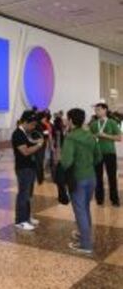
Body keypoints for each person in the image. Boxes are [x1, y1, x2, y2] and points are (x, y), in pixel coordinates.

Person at [61, 108, 101, 254]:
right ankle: (85, 235)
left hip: (77, 178)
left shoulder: (71, 138)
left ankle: (86, 245)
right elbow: (98, 157)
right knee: (85, 208)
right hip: (91, 177)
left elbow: (66, 162)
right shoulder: (90, 135)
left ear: (71, 120)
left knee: (80, 211)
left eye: (67, 118)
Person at [11, 110, 45, 231]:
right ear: (25, 122)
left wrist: (36, 142)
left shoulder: (24, 132)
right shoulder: (18, 134)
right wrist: (39, 145)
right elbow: (25, 151)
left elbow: (29, 143)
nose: (33, 127)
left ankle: (27, 218)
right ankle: (20, 220)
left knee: (28, 195)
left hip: (29, 167)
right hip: (23, 168)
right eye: (32, 124)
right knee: (23, 194)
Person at [90, 103, 121, 207]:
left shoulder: (112, 122)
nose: (96, 111)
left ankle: (114, 199)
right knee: (98, 177)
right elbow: (90, 137)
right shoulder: (94, 124)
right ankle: (99, 199)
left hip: (109, 153)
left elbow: (119, 138)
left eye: (99, 109)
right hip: (97, 154)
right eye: (96, 110)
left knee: (111, 177)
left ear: (105, 110)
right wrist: (95, 136)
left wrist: (105, 135)